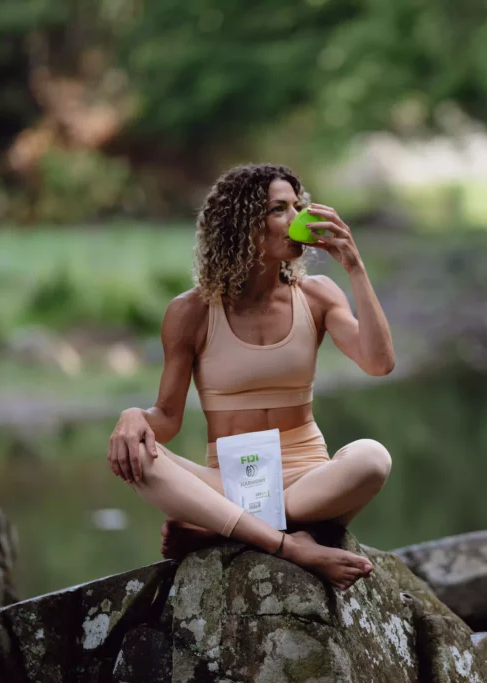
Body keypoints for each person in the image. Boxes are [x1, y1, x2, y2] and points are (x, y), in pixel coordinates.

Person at [106, 163, 395, 591]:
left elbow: (379, 363)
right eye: (279, 209)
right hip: (228, 481)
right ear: (241, 224)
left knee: (373, 458)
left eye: (298, 205)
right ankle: (292, 545)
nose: (297, 217)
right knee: (138, 460)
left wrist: (355, 268)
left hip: (307, 480)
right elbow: (166, 419)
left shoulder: (317, 295)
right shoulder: (192, 312)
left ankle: (224, 529)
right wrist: (133, 416)